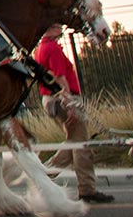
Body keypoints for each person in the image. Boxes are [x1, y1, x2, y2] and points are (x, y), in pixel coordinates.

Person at [33, 23, 113, 203]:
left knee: (75, 142)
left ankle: (45, 176)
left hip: (51, 99)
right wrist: (70, 105)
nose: (62, 28)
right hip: (63, 99)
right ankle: (86, 189)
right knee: (82, 145)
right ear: (52, 28)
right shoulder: (52, 48)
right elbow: (60, 78)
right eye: (59, 25)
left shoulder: (41, 48)